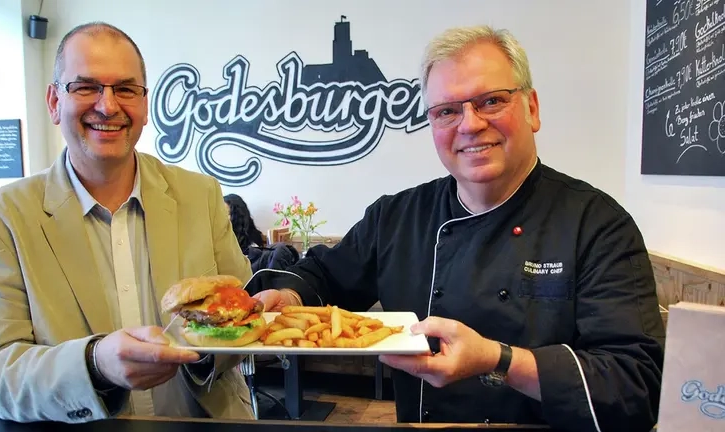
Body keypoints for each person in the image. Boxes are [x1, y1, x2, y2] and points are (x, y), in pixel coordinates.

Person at [254, 25, 665, 431]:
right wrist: (289, 295)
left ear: (532, 109)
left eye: (490, 101)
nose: (469, 124)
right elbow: (324, 273)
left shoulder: (597, 225)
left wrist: (498, 360)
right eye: (447, 111)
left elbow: (636, 385)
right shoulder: (396, 217)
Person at [0, 22, 254, 423]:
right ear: (53, 102)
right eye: (86, 87)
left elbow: (246, 322)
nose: (109, 105)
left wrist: (205, 353)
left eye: (126, 89)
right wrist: (95, 366)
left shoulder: (199, 196)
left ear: (145, 105)